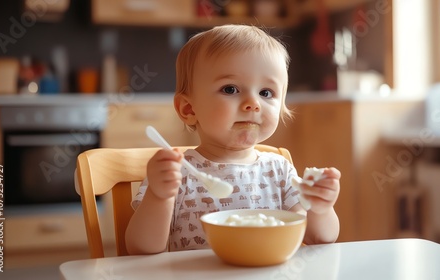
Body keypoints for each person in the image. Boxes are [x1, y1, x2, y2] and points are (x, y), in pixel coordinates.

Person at [125, 24, 340, 255]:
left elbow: (318, 238)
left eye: (266, 93)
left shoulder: (279, 171)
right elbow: (142, 248)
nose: (253, 103)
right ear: (189, 108)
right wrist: (160, 195)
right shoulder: (177, 173)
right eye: (230, 89)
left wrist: (321, 208)